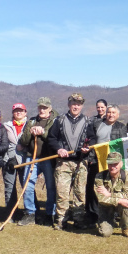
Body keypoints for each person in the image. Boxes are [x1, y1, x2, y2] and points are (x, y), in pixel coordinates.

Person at [46, 93, 91, 230]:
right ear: (68, 105)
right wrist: (58, 149)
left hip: (81, 162)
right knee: (62, 193)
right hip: (63, 163)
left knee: (80, 193)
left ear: (82, 105)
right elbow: (51, 138)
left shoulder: (88, 121)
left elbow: (93, 139)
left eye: (78, 104)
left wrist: (87, 149)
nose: (75, 106)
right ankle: (61, 220)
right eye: (73, 103)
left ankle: (79, 219)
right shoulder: (59, 120)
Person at [18, 97, 59, 226]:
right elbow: (23, 141)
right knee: (27, 185)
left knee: (51, 187)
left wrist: (43, 132)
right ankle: (30, 213)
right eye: (40, 107)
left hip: (48, 158)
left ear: (50, 108)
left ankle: (50, 214)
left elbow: (55, 138)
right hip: (32, 158)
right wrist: (31, 132)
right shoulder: (32, 121)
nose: (42, 110)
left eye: (45, 108)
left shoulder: (56, 121)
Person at [86, 104, 127, 224]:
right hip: (96, 160)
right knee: (95, 187)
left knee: (110, 188)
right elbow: (91, 140)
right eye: (109, 112)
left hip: (112, 164)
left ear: (118, 115)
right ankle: (93, 214)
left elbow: (123, 144)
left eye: (114, 113)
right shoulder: (97, 124)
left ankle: (112, 215)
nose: (111, 114)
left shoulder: (121, 127)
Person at [93, 152, 128, 238]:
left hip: (120, 206)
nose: (112, 167)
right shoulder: (100, 176)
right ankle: (109, 222)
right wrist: (119, 199)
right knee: (105, 233)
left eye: (115, 164)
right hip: (105, 207)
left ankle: (125, 228)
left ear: (121, 164)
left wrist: (109, 194)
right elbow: (101, 198)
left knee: (125, 203)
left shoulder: (127, 176)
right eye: (110, 164)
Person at [2, 103, 28, 220]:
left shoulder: (30, 124)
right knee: (10, 187)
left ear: (25, 112)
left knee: (27, 187)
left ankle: (30, 212)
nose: (18, 113)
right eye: (16, 111)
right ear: (13, 113)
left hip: (25, 160)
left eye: (21, 111)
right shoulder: (6, 126)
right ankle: (11, 213)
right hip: (10, 160)